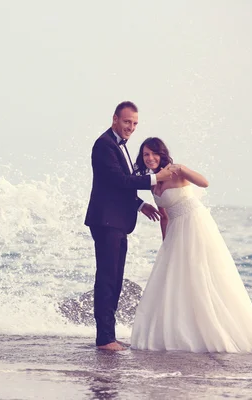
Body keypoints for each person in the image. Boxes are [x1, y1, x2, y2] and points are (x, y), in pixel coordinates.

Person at [130, 137, 252, 353]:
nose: (150, 158)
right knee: (176, 279)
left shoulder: (176, 171)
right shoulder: (153, 183)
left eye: (154, 153)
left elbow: (204, 183)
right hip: (175, 231)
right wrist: (166, 245)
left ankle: (216, 330)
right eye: (146, 155)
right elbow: (164, 217)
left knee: (201, 273)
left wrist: (182, 168)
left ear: (162, 154)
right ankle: (182, 331)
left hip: (194, 223)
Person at [84, 102, 177, 351]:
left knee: (115, 278)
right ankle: (104, 339)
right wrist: (157, 178)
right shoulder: (104, 145)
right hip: (106, 222)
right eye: (127, 122)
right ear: (115, 119)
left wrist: (139, 205)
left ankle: (109, 336)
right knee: (107, 279)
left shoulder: (119, 146)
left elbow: (116, 187)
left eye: (135, 123)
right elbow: (119, 180)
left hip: (117, 221)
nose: (131, 128)